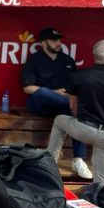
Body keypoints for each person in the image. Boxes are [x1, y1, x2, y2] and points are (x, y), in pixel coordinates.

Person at [22, 27, 92, 179]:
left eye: (59, 40)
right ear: (43, 43)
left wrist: (66, 94)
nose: (58, 43)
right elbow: (28, 88)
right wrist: (55, 92)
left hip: (63, 106)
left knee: (75, 115)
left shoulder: (68, 61)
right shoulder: (34, 59)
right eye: (54, 40)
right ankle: (77, 107)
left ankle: (78, 159)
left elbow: (73, 89)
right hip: (40, 104)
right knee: (43, 92)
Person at [46, 40, 104, 183]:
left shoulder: (79, 76)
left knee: (59, 120)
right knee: (102, 178)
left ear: (94, 55)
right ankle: (100, 193)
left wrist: (78, 118)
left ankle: (49, 164)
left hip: (84, 129)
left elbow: (73, 104)